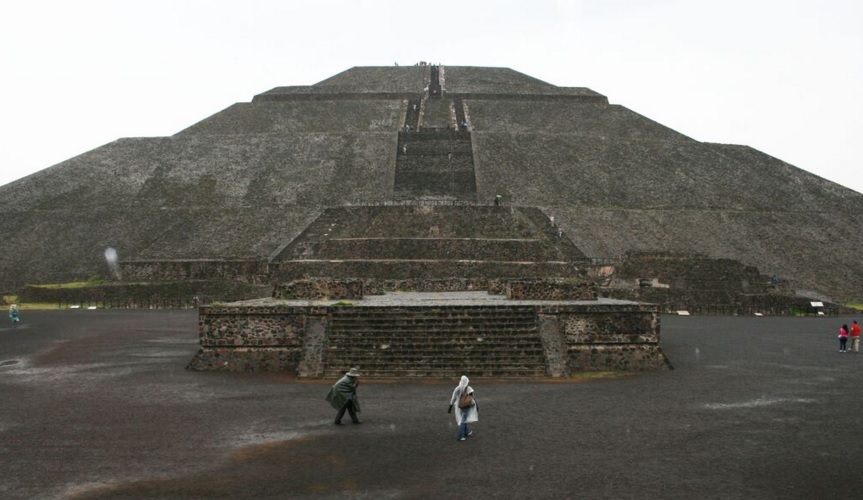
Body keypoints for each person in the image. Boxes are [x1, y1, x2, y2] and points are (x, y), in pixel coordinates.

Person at [449, 375, 478, 441]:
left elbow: (453, 397)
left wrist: (450, 406)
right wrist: (477, 406)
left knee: (463, 418)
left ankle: (466, 432)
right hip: (467, 406)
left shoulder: (457, 388)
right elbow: (473, 397)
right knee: (463, 420)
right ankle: (461, 435)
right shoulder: (469, 388)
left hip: (459, 406)